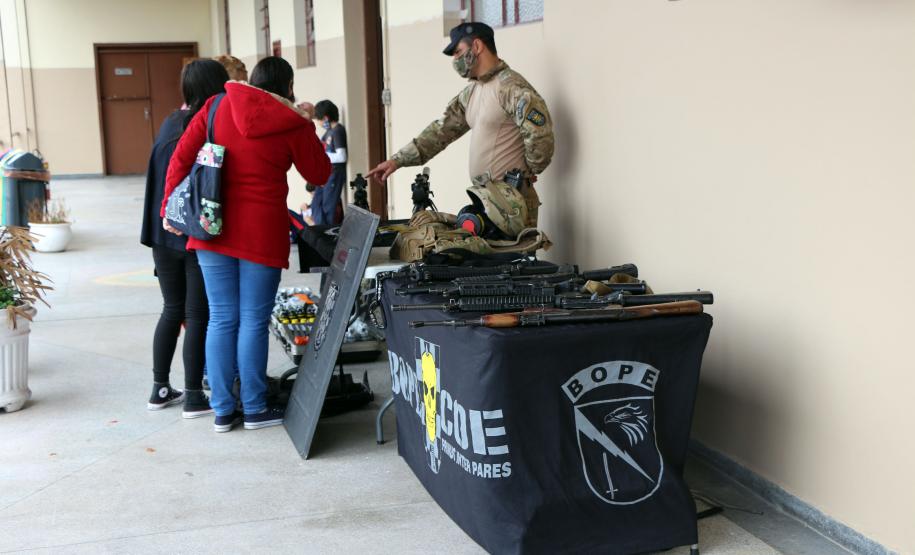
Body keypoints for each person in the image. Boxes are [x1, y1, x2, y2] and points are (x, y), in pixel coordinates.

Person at [162, 56, 331, 433]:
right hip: (261, 232)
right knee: (253, 321)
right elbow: (319, 173)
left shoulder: (217, 104)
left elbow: (181, 157)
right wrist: (307, 126)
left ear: (252, 81)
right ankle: (254, 407)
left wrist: (168, 208)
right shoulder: (291, 122)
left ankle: (223, 409)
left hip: (212, 227)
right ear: (288, 87)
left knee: (222, 318)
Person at [366, 22, 554, 228]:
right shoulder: (472, 92)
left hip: (512, 204)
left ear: (477, 46)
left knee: (516, 259)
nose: (455, 60)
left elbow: (539, 135)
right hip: (486, 201)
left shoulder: (510, 87)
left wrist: (529, 171)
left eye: (458, 52)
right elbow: (441, 131)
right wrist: (397, 161)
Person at [141, 59, 229, 417]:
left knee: (171, 309)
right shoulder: (206, 126)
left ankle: (159, 387)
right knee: (198, 315)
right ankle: (194, 395)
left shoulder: (168, 123)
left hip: (162, 233)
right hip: (192, 233)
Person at [310, 100, 347, 226]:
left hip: (334, 174)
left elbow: (342, 156)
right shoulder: (329, 132)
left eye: (319, 120)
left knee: (328, 208)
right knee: (317, 205)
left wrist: (322, 156)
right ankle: (323, 232)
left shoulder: (337, 131)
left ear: (325, 118)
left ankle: (329, 236)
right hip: (325, 176)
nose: (319, 123)